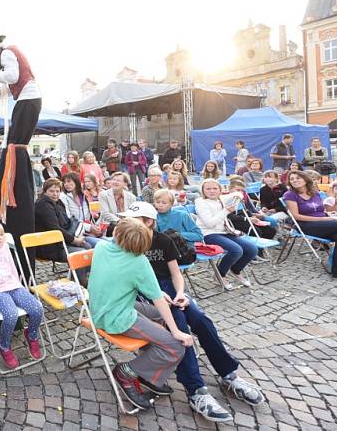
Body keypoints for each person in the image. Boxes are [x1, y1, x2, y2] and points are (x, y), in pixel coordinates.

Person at [128, 200, 265, 421]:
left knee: (201, 320)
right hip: (145, 292)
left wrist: (181, 293)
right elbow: (131, 280)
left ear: (149, 222)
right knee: (179, 325)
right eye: (128, 220)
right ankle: (196, 390)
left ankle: (228, 374)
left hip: (168, 287)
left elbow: (175, 273)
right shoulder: (128, 243)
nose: (129, 224)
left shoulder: (163, 240)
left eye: (135, 220)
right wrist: (158, 296)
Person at [87, 218, 192, 410]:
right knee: (175, 346)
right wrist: (176, 331)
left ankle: (147, 372)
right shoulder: (139, 262)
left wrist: (157, 292)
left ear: (118, 234)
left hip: (103, 307)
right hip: (116, 317)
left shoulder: (102, 247)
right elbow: (158, 300)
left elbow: (122, 277)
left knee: (160, 318)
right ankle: (127, 372)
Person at [0, 221, 43, 368]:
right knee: (10, 314)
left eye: (1, 234)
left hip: (13, 286)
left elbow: (12, 266)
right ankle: (4, 345)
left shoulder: (5, 247)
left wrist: (19, 284)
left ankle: (31, 335)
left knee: (37, 308)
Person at [284, 170, 337, 284]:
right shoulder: (290, 195)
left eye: (297, 178)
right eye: (292, 179)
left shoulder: (314, 192)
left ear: (305, 179)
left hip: (322, 223)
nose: (294, 180)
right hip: (304, 225)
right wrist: (322, 219)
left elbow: (321, 210)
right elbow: (296, 216)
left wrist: (330, 215)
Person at [0, 25, 42, 148]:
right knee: (16, 141)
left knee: (15, 143)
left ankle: (17, 167)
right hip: (29, 99)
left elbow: (12, 77)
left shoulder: (6, 53)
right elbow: (18, 81)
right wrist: (4, 92)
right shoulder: (10, 51)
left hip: (28, 99)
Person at [195, 179, 259, 289]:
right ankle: (220, 274)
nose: (212, 191)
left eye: (215, 188)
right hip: (208, 234)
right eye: (208, 189)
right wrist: (226, 211)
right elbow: (209, 224)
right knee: (236, 250)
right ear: (203, 190)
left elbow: (238, 193)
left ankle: (236, 270)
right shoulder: (201, 202)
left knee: (252, 249)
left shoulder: (221, 198)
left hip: (225, 231)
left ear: (220, 190)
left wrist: (237, 196)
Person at [34, 178, 90, 263]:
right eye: (51, 191)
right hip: (50, 246)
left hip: (62, 242)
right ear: (45, 191)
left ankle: (79, 275)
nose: (55, 194)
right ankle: (78, 276)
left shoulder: (58, 202)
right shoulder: (43, 205)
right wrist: (74, 240)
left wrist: (75, 237)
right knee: (82, 254)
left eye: (57, 191)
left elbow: (66, 223)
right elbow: (54, 228)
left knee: (88, 247)